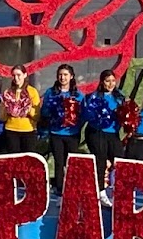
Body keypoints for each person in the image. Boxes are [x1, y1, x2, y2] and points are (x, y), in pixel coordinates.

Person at [82, 70, 125, 203]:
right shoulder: (94, 96)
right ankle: (100, 192)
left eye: (113, 81)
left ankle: (117, 189)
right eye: (107, 81)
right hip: (97, 132)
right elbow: (87, 114)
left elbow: (126, 114)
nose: (111, 84)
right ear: (102, 82)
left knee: (119, 160)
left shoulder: (120, 97)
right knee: (100, 161)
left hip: (113, 133)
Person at [41, 65, 83, 195]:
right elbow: (44, 111)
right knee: (59, 162)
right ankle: (59, 189)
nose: (62, 77)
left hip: (72, 133)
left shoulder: (78, 94)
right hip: (56, 133)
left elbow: (82, 113)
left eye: (65, 74)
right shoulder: (50, 92)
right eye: (60, 74)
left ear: (71, 76)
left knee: (71, 162)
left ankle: (72, 187)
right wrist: (52, 110)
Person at [0, 66, 42, 156]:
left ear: (25, 75)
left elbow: (37, 116)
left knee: (27, 161)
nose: (16, 78)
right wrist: (4, 108)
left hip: (28, 131)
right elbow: (2, 118)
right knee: (13, 160)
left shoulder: (32, 92)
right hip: (11, 130)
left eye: (18, 75)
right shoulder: (8, 92)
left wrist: (27, 107)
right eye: (14, 75)